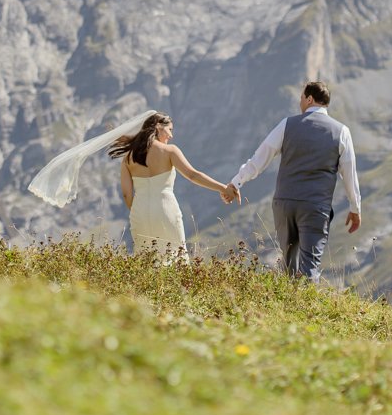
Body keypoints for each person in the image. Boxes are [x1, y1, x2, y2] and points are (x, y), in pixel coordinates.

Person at [222, 81, 362, 281]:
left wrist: (236, 183)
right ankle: (305, 309)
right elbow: (349, 174)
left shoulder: (287, 124)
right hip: (315, 206)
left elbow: (260, 158)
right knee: (309, 266)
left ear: (310, 99)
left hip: (284, 203)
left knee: (289, 265)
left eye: (301, 98)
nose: (300, 103)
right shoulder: (341, 132)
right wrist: (355, 208)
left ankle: (288, 306)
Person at [109, 112, 231, 257]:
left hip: (139, 212)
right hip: (165, 209)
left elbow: (126, 194)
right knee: (174, 255)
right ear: (158, 127)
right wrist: (222, 188)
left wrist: (136, 210)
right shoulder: (170, 151)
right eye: (170, 130)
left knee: (144, 259)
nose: (171, 136)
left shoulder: (128, 157)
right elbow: (192, 175)